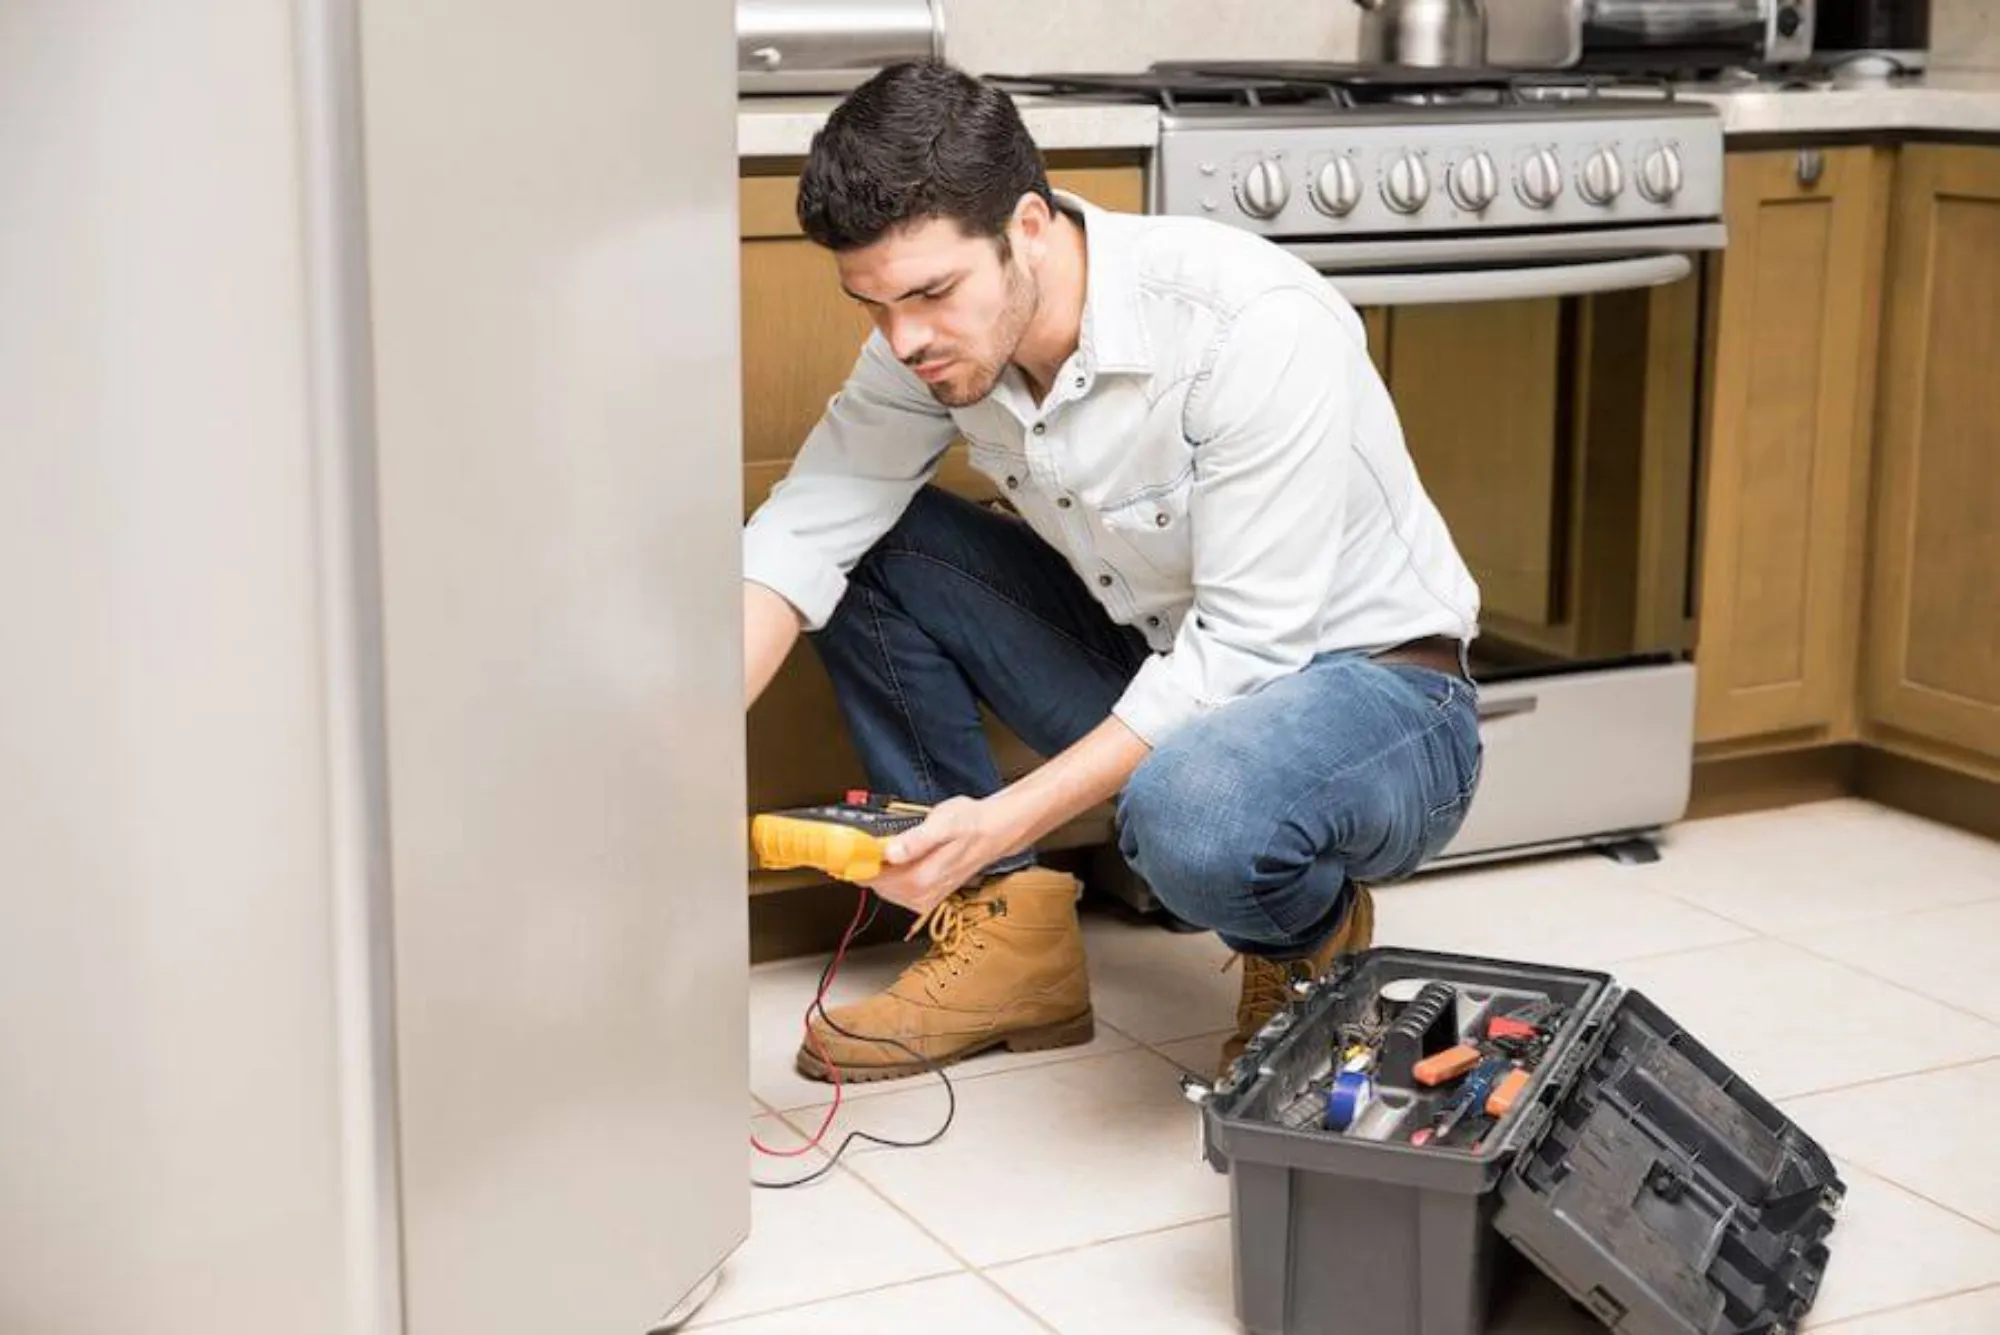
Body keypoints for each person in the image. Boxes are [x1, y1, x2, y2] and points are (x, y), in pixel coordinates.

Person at [741, 59, 1483, 1083]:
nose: (901, 337)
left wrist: (998, 815)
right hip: (1163, 666)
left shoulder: (1249, 323)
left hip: (1381, 696)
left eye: (930, 293)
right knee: (873, 538)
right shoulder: (930, 347)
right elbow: (807, 526)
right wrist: (689, 737)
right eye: (872, 306)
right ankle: (1009, 942)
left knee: (1191, 811)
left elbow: (1244, 655)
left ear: (1030, 229)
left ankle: (1303, 934)